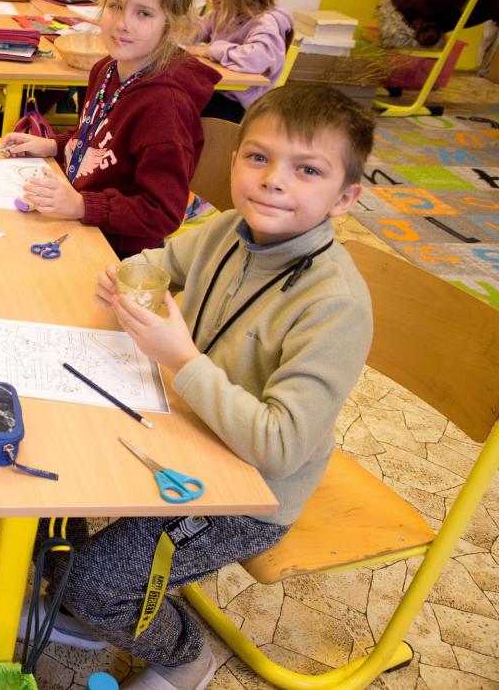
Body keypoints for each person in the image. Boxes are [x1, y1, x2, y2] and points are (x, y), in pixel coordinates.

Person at [23, 84, 374, 690]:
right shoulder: (230, 229)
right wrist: (124, 278)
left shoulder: (334, 305)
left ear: (345, 197)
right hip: (186, 427)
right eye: (258, 157)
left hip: (251, 493)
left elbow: (280, 447)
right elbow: (161, 263)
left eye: (307, 170)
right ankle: (83, 606)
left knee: (96, 581)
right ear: (234, 163)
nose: (273, 181)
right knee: (42, 466)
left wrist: (181, 358)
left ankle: (184, 656)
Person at [1, 0, 218, 257]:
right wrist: (53, 145)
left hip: (118, 253)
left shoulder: (166, 106)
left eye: (144, 13)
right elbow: (97, 138)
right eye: (116, 6)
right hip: (79, 226)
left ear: (173, 26)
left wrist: (81, 205)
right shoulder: (107, 69)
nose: (122, 23)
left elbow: (163, 213)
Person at [190, 0, 292, 122]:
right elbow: (200, 28)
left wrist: (210, 50)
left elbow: (258, 58)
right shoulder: (228, 11)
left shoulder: (264, 21)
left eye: (217, 1)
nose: (214, 7)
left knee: (181, 109)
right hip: (218, 91)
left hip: (237, 103)